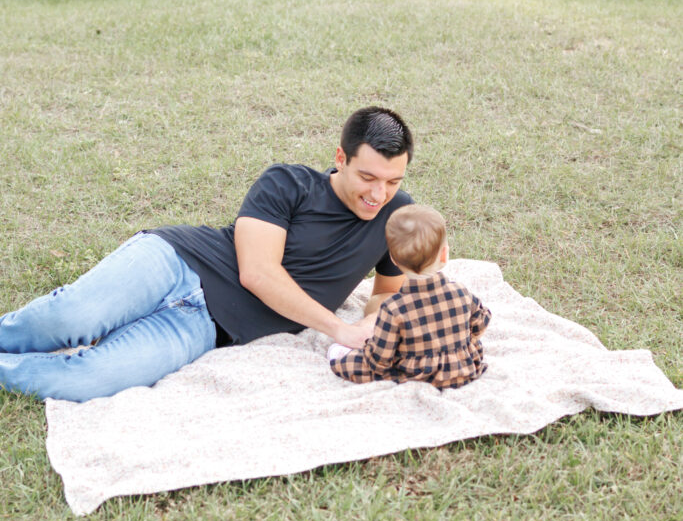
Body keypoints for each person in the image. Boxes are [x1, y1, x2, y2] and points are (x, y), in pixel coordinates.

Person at [0, 107, 413, 403]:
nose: (379, 194)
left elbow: (384, 293)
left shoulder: (398, 217)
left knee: (90, 378)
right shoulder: (288, 183)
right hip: (177, 263)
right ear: (340, 158)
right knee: (67, 318)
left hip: (204, 327)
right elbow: (257, 273)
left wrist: (377, 318)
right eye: (368, 177)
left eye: (393, 180)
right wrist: (338, 329)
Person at [328, 204, 491, 390]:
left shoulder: (393, 308)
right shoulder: (462, 292)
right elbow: (481, 321)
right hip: (462, 369)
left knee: (355, 362)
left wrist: (364, 349)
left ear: (394, 260)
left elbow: (381, 358)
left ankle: (339, 357)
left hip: (415, 374)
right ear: (444, 255)